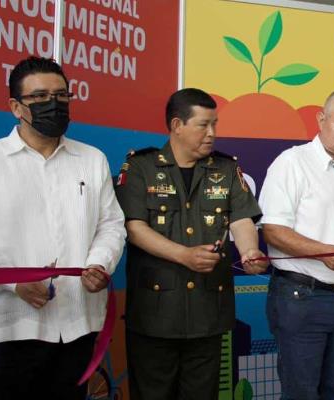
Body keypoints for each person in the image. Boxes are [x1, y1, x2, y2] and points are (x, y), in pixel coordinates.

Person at [0, 56, 126, 399]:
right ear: (16, 107)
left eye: (62, 96)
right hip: (11, 329)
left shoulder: (92, 160)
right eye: (41, 97)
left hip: (77, 326)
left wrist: (99, 264)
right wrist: (13, 281)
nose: (55, 104)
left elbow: (111, 224)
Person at [115, 88, 268, 400]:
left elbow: (241, 219)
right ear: (176, 125)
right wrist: (184, 255)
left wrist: (250, 251)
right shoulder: (141, 167)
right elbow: (133, 227)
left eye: (215, 124)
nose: (212, 133)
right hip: (154, 315)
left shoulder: (225, 169)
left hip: (207, 313)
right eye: (203, 125)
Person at [258, 90, 334, 399]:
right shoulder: (292, 163)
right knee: (301, 393)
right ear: (321, 119)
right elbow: (272, 230)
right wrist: (323, 254)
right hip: (303, 299)